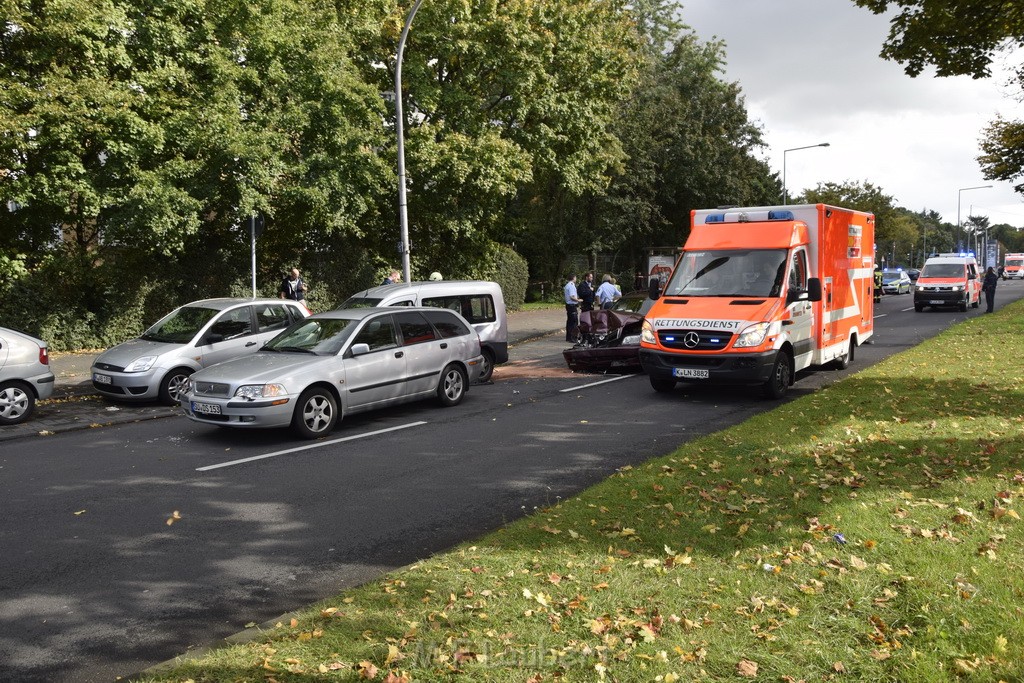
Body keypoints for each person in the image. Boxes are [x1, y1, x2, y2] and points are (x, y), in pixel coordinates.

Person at [564, 274, 581, 342]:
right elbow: (572, 296)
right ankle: (572, 338)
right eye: (575, 278)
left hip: (569, 305)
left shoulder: (567, 285)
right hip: (572, 305)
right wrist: (578, 300)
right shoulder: (571, 285)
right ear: (573, 278)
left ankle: (568, 337)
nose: (576, 279)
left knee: (569, 322)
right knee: (574, 322)